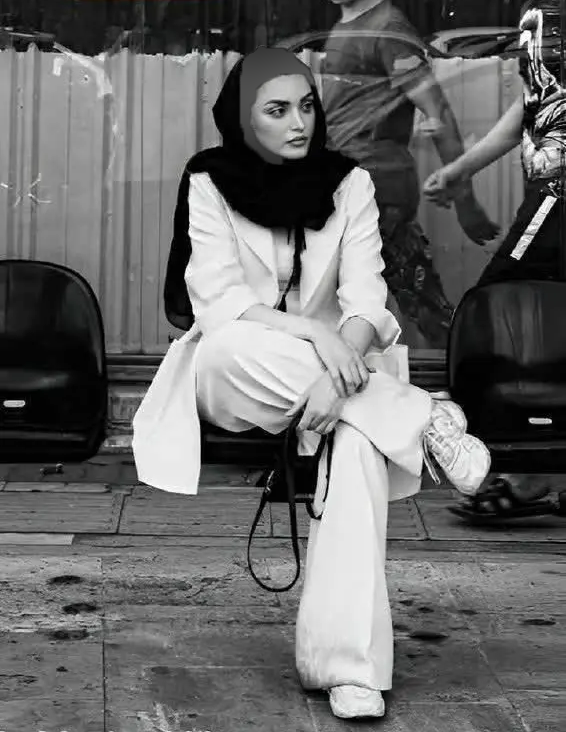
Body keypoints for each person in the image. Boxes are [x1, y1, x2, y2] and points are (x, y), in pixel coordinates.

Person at [133, 46, 491, 720]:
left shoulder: (349, 183)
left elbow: (367, 299)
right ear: (245, 118)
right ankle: (419, 416)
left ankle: (349, 669)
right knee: (229, 345)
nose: (298, 123)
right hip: (239, 370)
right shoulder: (209, 180)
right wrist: (317, 338)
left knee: (356, 446)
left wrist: (338, 365)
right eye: (277, 110)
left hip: (338, 382)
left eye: (305, 106)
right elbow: (219, 301)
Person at [423, 0, 566, 519]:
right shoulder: (545, 23)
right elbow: (529, 109)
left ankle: (530, 472)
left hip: (558, 196)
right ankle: (538, 471)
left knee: (500, 303)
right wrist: (460, 170)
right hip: (550, 193)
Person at [320, 0, 499, 348]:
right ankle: (473, 359)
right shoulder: (350, 23)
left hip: (373, 184)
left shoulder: (386, 28)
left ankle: (478, 363)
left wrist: (465, 201)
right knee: (414, 297)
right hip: (343, 182)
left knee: (415, 298)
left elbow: (437, 110)